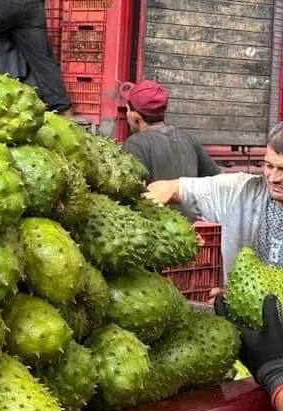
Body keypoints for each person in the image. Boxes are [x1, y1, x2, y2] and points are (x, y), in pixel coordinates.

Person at [145, 122, 283, 280]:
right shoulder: (241, 190)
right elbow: (168, 188)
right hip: (238, 303)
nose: (274, 178)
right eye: (269, 166)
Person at [121, 80, 220, 182]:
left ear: (134, 116)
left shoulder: (135, 144)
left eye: (127, 110)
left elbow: (128, 189)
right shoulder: (188, 139)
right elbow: (216, 179)